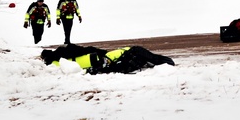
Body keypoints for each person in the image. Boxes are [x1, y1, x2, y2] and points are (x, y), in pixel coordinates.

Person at [40, 44, 174, 74]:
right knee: (138, 51)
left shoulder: (57, 62)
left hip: (104, 59)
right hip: (106, 58)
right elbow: (81, 50)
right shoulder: (61, 56)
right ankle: (165, 63)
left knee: (137, 53)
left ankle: (164, 63)